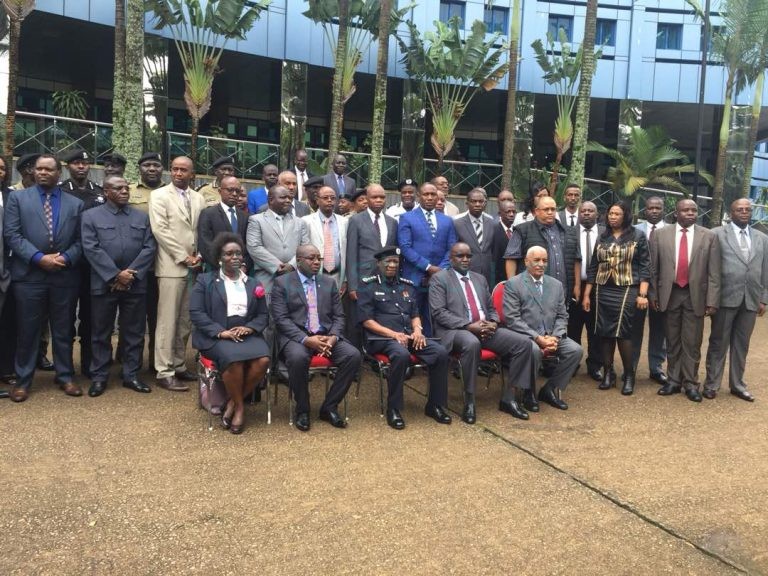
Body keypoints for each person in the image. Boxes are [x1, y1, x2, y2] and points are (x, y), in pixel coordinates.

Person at [4, 154, 84, 402]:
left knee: (63, 329)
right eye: (39, 169)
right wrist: (39, 258)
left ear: (59, 172)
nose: (42, 173)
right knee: (27, 330)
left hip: (64, 275)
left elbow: (81, 240)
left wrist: (66, 258)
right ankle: (23, 381)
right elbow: (12, 235)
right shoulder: (18, 198)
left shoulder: (75, 203)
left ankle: (65, 376)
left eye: (48, 169)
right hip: (29, 276)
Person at [430, 242, 534, 423]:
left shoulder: (479, 279)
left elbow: (491, 308)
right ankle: (469, 401)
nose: (465, 259)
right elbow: (439, 312)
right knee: (472, 343)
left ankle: (509, 398)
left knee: (523, 343)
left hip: (485, 329)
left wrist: (493, 322)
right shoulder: (440, 279)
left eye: (468, 256)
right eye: (460, 256)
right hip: (455, 331)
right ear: (450, 258)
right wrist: (469, 326)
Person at [270, 244, 362, 432]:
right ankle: (302, 409)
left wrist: (333, 337)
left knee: (353, 356)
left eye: (318, 258)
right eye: (311, 258)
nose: (316, 262)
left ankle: (329, 407)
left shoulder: (328, 283)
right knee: (298, 358)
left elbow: (339, 316)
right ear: (299, 261)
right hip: (297, 337)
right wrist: (306, 340)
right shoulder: (282, 283)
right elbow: (281, 319)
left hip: (326, 336)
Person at [358, 246, 452, 429]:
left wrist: (418, 331)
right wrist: (394, 334)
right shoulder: (368, 285)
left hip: (408, 337)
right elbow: (367, 321)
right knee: (401, 355)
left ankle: (435, 405)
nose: (392, 265)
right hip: (382, 339)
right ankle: (394, 408)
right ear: (379, 263)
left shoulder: (407, 285)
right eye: (388, 261)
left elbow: (415, 315)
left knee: (440, 353)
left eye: (395, 261)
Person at [80, 175, 156, 397]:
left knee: (134, 332)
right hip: (104, 284)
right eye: (118, 188)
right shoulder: (90, 216)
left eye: (126, 188)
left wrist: (130, 275)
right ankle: (99, 376)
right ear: (106, 191)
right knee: (101, 332)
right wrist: (115, 275)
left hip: (135, 283)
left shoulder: (141, 217)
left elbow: (149, 247)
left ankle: (131, 374)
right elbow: (91, 248)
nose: (125, 191)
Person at [190, 232, 271, 434]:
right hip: (216, 336)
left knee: (263, 360)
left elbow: (263, 315)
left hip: (247, 334)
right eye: (229, 254)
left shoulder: (253, 283)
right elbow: (196, 313)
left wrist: (250, 328)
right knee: (233, 359)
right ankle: (239, 408)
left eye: (238, 253)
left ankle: (233, 402)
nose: (235, 257)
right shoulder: (205, 281)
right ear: (219, 258)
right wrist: (220, 332)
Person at [650, 198, 720, 402]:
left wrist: (712, 300)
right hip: (669, 294)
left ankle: (690, 383)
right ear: (676, 213)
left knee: (692, 342)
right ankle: (673, 381)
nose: (690, 213)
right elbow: (653, 269)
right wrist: (653, 295)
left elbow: (714, 272)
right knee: (672, 341)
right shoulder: (660, 235)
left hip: (694, 296)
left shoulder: (709, 236)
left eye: (693, 210)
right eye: (685, 210)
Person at [148, 155, 206, 392]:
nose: (178, 173)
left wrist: (199, 256)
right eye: (175, 169)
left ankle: (179, 364)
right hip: (172, 266)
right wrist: (184, 257)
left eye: (183, 170)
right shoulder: (159, 195)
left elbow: (200, 230)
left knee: (185, 321)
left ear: (192, 173)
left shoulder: (199, 198)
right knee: (167, 321)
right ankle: (164, 370)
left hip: (195, 267)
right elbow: (160, 230)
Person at [581, 201, 650, 395]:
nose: (612, 217)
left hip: (627, 289)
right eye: (610, 213)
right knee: (604, 333)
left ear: (625, 216)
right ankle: (608, 373)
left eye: (617, 214)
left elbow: (645, 266)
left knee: (622, 333)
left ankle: (629, 375)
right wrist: (586, 295)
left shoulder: (638, 235)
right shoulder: (603, 236)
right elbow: (593, 266)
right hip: (602, 290)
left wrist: (642, 294)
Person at [703, 198, 768, 402]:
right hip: (724, 298)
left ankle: (737, 385)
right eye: (740, 209)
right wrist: (710, 298)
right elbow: (709, 268)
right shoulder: (716, 234)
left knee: (742, 345)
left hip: (751, 299)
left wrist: (764, 298)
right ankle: (712, 384)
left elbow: (765, 270)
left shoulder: (762, 238)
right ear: (731, 213)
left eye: (748, 209)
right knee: (718, 343)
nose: (744, 212)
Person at [504, 246, 582, 410]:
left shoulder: (556, 285)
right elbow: (512, 319)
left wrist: (555, 337)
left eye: (544, 260)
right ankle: (529, 392)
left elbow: (562, 315)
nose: (541, 264)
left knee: (575, 350)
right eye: (536, 260)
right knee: (533, 350)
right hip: (526, 336)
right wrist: (537, 338)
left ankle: (549, 389)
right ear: (526, 261)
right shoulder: (514, 284)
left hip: (551, 335)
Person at [60, 149, 106, 376]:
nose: (81, 167)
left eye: (85, 163)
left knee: (91, 317)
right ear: (68, 166)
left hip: (92, 266)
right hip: (68, 265)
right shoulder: (60, 191)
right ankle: (66, 368)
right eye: (76, 163)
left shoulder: (98, 192)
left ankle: (89, 365)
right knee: (65, 318)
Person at [398, 182, 457, 335]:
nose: (430, 198)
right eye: (426, 194)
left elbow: (452, 248)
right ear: (419, 196)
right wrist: (428, 267)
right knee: (412, 315)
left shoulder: (447, 220)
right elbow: (405, 247)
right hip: (414, 277)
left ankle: (435, 345)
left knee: (436, 316)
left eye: (433, 194)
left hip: (440, 277)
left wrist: (440, 269)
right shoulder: (407, 218)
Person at [504, 196, 581, 307]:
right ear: (536, 211)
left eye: (553, 209)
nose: (550, 212)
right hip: (531, 294)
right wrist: (513, 287)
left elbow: (576, 260)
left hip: (562, 294)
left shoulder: (569, 232)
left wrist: (577, 286)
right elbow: (511, 258)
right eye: (546, 209)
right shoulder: (523, 230)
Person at [126, 151, 164, 368]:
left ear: (162, 169)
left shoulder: (171, 192)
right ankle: (132, 363)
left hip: (163, 263)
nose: (151, 169)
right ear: (139, 168)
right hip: (136, 265)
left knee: (159, 317)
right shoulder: (128, 191)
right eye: (147, 165)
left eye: (156, 165)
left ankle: (155, 362)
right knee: (134, 317)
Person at [630, 196, 668, 385]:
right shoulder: (634, 230)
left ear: (663, 209)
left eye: (657, 208)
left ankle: (656, 368)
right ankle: (631, 367)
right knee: (634, 330)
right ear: (644, 210)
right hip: (638, 288)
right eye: (650, 208)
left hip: (661, 289)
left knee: (659, 330)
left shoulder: (671, 231)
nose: (654, 211)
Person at [246, 185, 309, 295]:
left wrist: (292, 265)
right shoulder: (256, 220)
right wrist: (277, 266)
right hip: (267, 277)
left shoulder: (300, 222)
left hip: (294, 277)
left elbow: (305, 247)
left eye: (290, 198)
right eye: (283, 197)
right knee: (267, 305)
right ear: (271, 200)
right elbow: (254, 247)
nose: (288, 200)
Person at [569, 201, 604, 381]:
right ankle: (572, 363)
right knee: (573, 327)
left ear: (597, 214)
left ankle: (595, 365)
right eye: (583, 211)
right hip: (575, 286)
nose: (587, 213)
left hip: (599, 287)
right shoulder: (569, 232)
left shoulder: (605, 233)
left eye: (591, 211)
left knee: (595, 327)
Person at [347, 184, 399, 303]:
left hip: (387, 279)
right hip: (364, 278)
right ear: (367, 199)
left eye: (382, 197)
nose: (379, 200)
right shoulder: (356, 220)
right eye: (374, 197)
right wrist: (352, 286)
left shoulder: (392, 222)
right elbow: (351, 255)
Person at [197, 175, 250, 271]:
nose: (234, 194)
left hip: (240, 270)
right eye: (230, 190)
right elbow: (205, 244)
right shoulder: (208, 214)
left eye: (237, 191)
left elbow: (249, 245)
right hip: (216, 269)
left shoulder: (245, 217)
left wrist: (244, 264)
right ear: (220, 191)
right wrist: (222, 265)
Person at [302, 185, 347, 292]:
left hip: (337, 276)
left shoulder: (344, 222)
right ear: (317, 200)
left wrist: (346, 279)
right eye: (325, 198)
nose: (329, 200)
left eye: (332, 198)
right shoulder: (306, 221)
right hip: (314, 275)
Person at [0, 156, 18, 387]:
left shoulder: (12, 197)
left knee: (7, 323)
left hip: (7, 271)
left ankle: (6, 369)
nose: (0, 172)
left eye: (2, 168)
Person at [453, 188, 495, 280]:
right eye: (474, 201)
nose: (477, 204)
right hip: (464, 273)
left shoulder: (492, 223)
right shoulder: (457, 224)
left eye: (480, 201)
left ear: (485, 203)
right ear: (467, 203)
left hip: (487, 274)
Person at [491, 200, 516, 287]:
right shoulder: (492, 230)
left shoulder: (518, 231)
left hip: (514, 278)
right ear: (500, 214)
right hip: (497, 279)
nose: (511, 214)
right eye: (508, 212)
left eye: (514, 212)